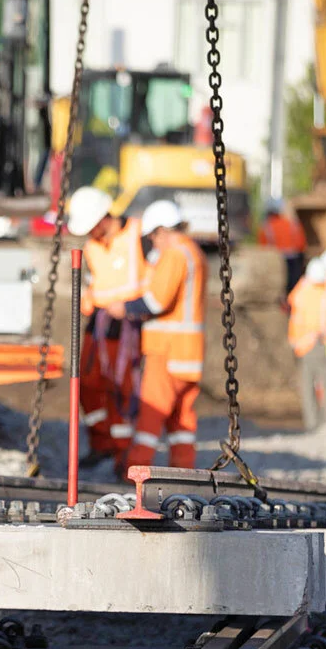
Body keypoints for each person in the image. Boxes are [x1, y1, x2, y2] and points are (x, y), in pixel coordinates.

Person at [121, 200, 205, 470]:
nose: (153, 244)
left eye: (153, 237)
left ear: (161, 230)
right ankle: (183, 472)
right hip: (188, 353)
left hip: (166, 351)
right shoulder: (193, 252)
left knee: (151, 413)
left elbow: (156, 302)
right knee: (181, 419)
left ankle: (135, 472)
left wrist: (123, 308)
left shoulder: (175, 253)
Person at [66, 186, 146, 461]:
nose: (89, 233)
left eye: (91, 226)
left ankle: (123, 453)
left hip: (127, 325)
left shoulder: (138, 235)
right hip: (98, 322)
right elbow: (94, 283)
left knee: (122, 389)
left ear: (102, 218)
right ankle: (101, 442)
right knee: (87, 383)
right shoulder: (92, 247)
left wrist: (135, 309)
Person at [287, 257, 326, 430]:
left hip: (303, 346)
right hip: (324, 343)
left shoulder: (299, 293)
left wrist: (294, 344)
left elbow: (294, 320)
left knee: (308, 386)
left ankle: (311, 424)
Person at [257, 198, 307, 293]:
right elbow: (301, 244)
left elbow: (263, 249)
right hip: (294, 260)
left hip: (276, 262)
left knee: (279, 289)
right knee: (293, 288)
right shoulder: (292, 224)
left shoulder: (266, 227)